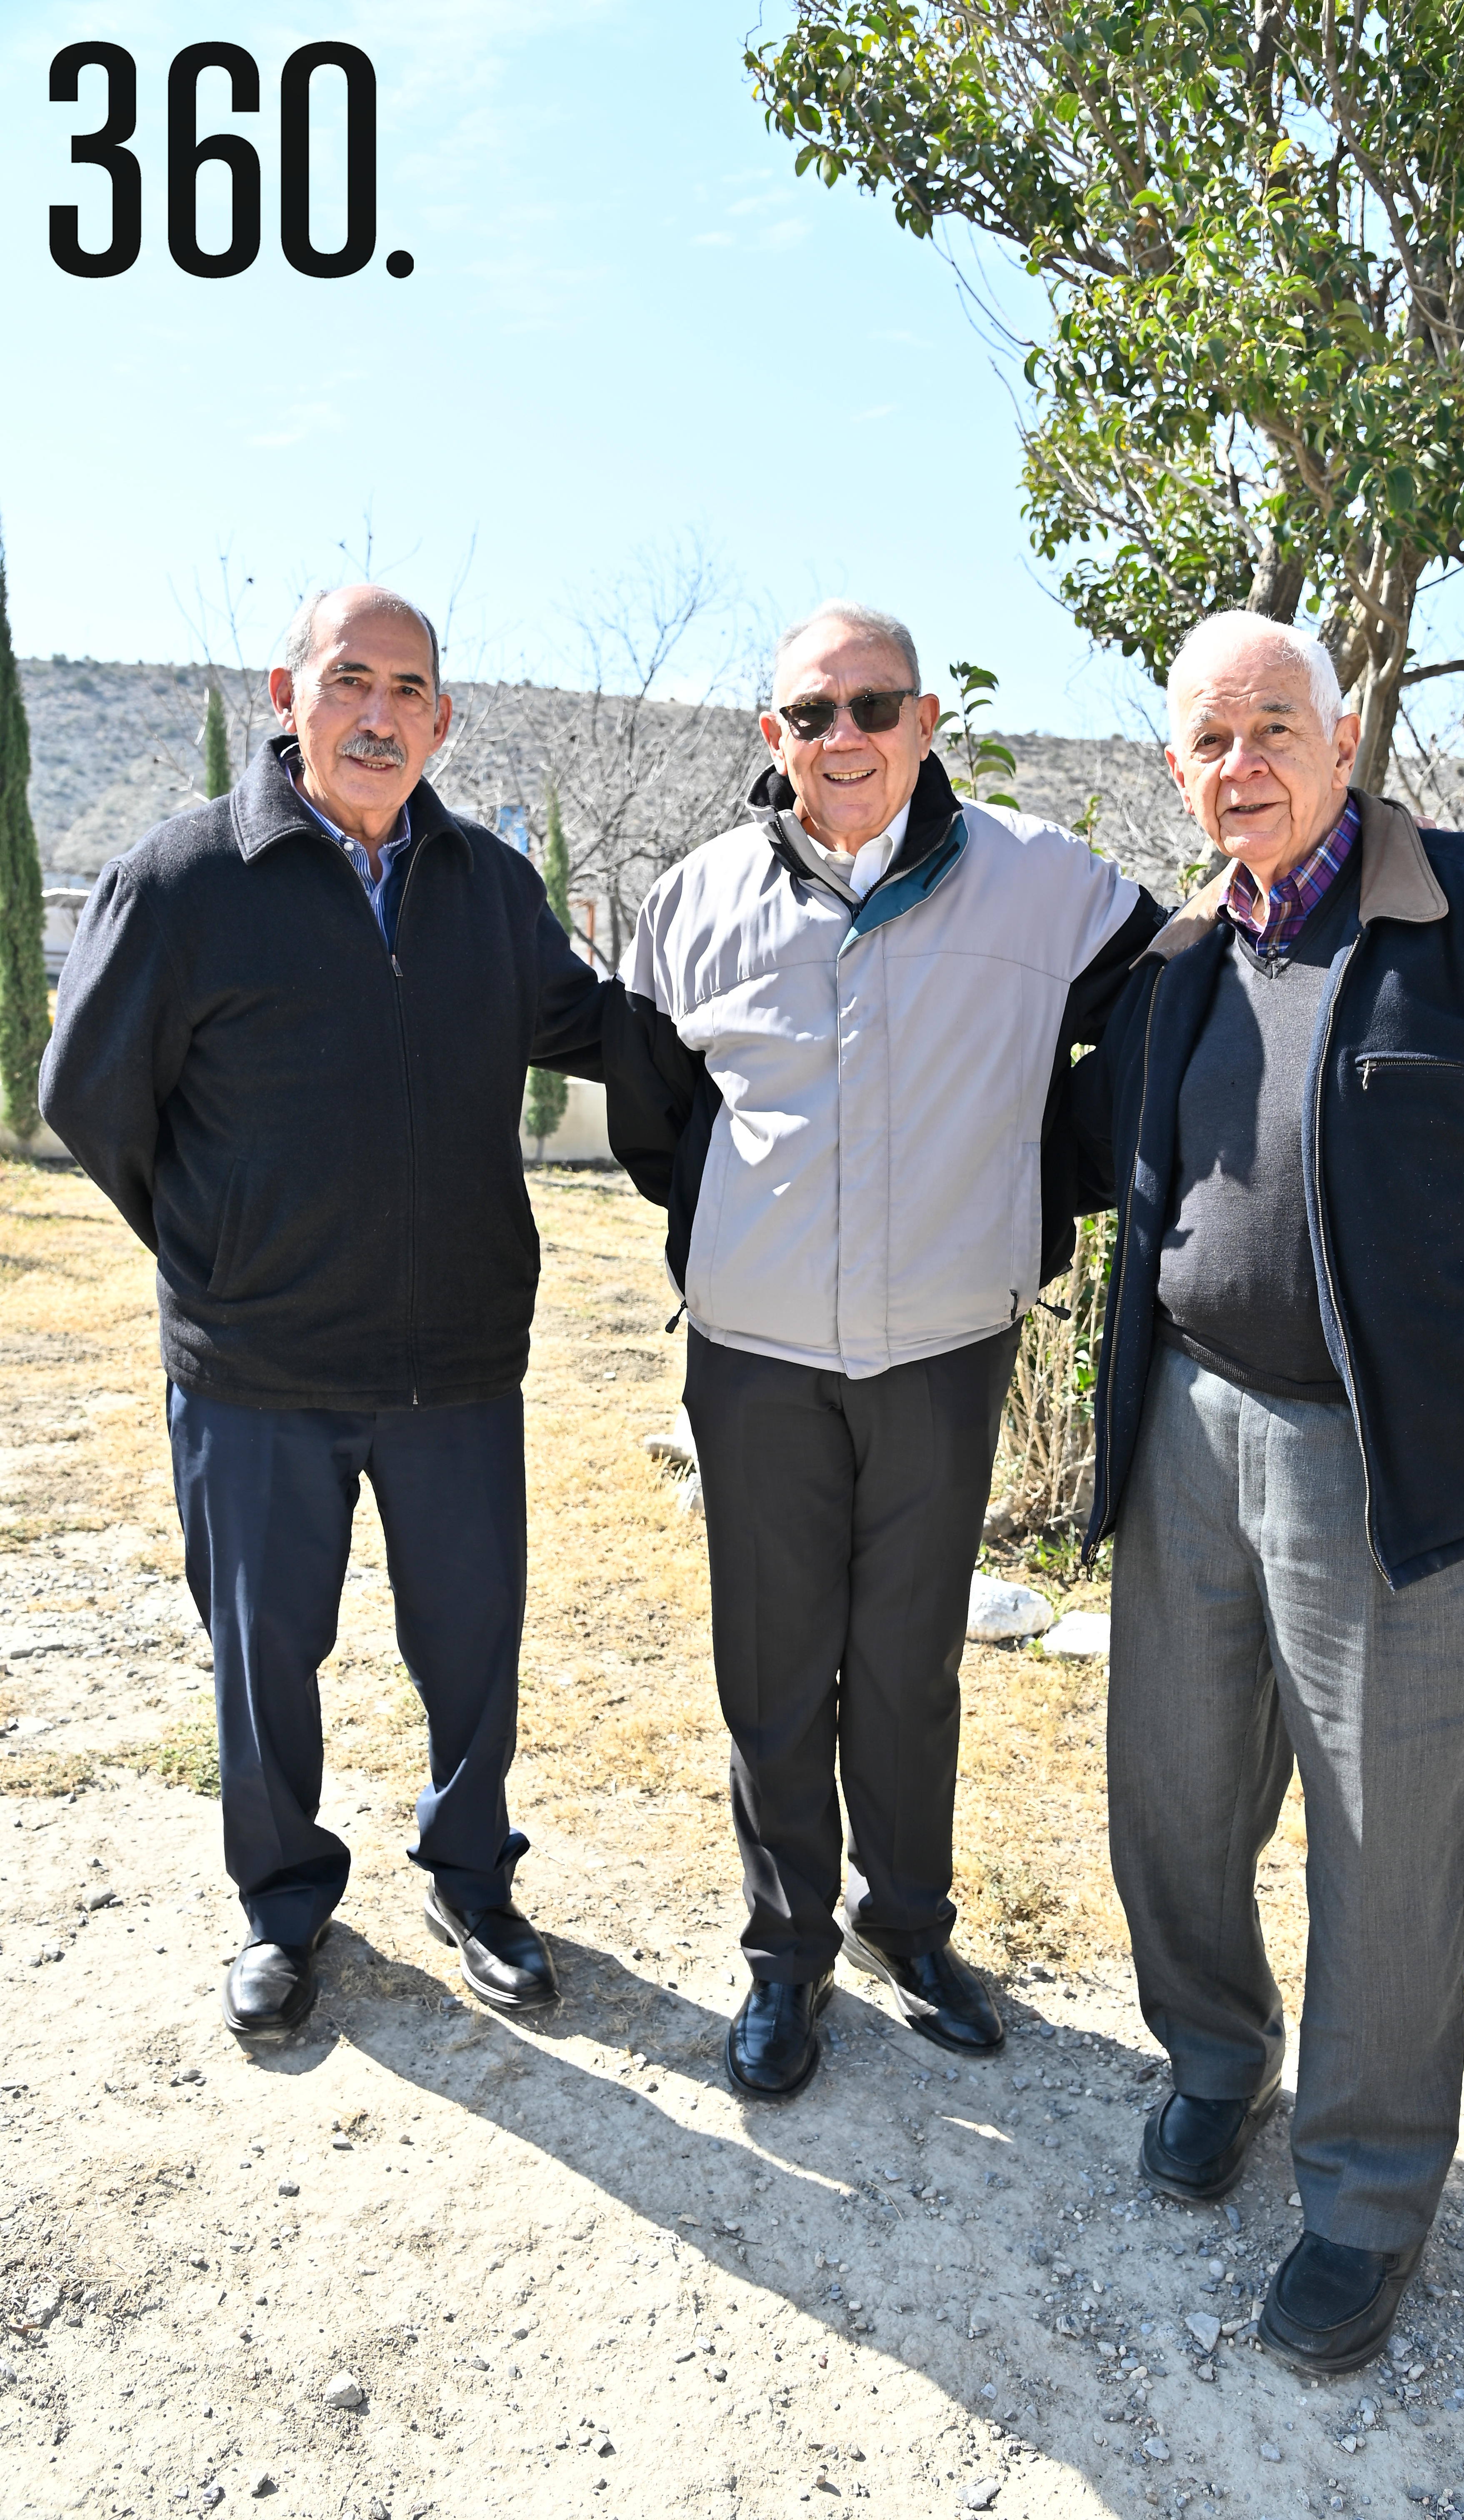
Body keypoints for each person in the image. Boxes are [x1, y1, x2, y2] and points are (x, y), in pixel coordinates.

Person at [1072, 608, 1464, 2373]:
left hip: (1386, 1464)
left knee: (1383, 1849)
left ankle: (1363, 2199)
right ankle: (1212, 2059)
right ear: (1180, 773)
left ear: (1347, 739)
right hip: (1189, 1429)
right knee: (1171, 1796)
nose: (1241, 762)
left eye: (1274, 725)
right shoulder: (1185, 951)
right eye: (1208, 739)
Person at [604, 600, 1165, 2099]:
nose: (840, 739)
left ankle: (908, 1927)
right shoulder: (694, 902)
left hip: (942, 1347)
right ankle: (786, 1958)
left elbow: (1175, 1011)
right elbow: (660, 1120)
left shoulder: (1047, 886)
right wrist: (739, 1239)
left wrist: (1045, 1182)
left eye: (873, 707)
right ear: (770, 736)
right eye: (810, 714)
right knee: (775, 1669)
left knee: (910, 1665)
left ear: (927, 724)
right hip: (757, 1356)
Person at [40, 585, 604, 2040]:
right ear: (287, 694)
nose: (377, 713)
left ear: (442, 720)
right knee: (262, 1654)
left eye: (408, 689)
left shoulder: (488, 886)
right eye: (348, 680)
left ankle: (473, 1880)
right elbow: (90, 1099)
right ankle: (284, 1905)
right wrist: (222, 1255)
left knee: (472, 1650)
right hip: (257, 1369)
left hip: (459, 1364)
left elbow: (601, 1029)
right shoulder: (181, 884)